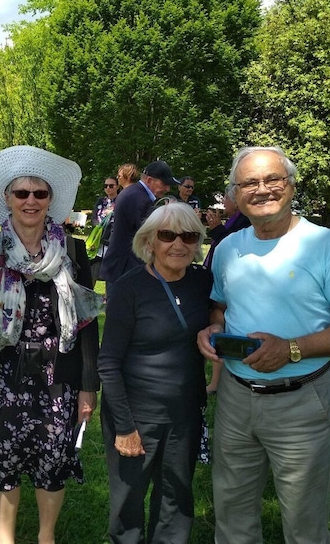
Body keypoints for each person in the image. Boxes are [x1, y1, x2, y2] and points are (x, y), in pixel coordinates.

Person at [197, 146, 330, 544]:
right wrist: (212, 329)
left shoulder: (329, 246)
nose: (262, 190)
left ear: (291, 185)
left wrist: (292, 348)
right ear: (235, 193)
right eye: (249, 183)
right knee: (232, 515)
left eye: (272, 179)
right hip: (235, 398)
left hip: (300, 400)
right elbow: (219, 308)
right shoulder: (227, 248)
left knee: (305, 523)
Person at [0, 145, 104, 544]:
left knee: (54, 458)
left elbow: (84, 324)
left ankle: (47, 537)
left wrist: (87, 385)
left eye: (40, 194)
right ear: (7, 199)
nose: (31, 201)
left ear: (50, 201)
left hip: (57, 377)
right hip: (4, 375)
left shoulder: (74, 251)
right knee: (4, 459)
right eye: (22, 193)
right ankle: (6, 538)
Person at [98, 201, 211, 543]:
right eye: (167, 235)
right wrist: (125, 426)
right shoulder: (128, 288)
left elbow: (221, 316)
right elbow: (108, 362)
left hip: (185, 412)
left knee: (177, 494)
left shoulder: (203, 281)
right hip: (136, 412)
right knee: (128, 499)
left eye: (188, 236)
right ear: (149, 241)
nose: (178, 244)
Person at [202, 183, 252, 393]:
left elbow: (233, 247)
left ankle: (217, 381)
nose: (224, 202)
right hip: (218, 276)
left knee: (219, 325)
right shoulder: (234, 219)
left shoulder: (244, 220)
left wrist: (216, 229)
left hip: (228, 280)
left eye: (226, 198)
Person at [99, 160, 180, 283]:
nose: (167, 188)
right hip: (127, 270)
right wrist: (170, 215)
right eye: (164, 183)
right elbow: (153, 235)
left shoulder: (132, 192)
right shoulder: (141, 200)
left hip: (120, 267)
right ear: (149, 180)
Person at [89, 176, 119, 285]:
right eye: (106, 186)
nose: (108, 188)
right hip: (98, 241)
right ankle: (88, 296)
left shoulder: (121, 201)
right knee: (92, 270)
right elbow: (93, 217)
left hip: (112, 241)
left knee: (110, 273)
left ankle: (109, 297)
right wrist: (98, 227)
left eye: (111, 186)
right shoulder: (101, 201)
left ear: (117, 186)